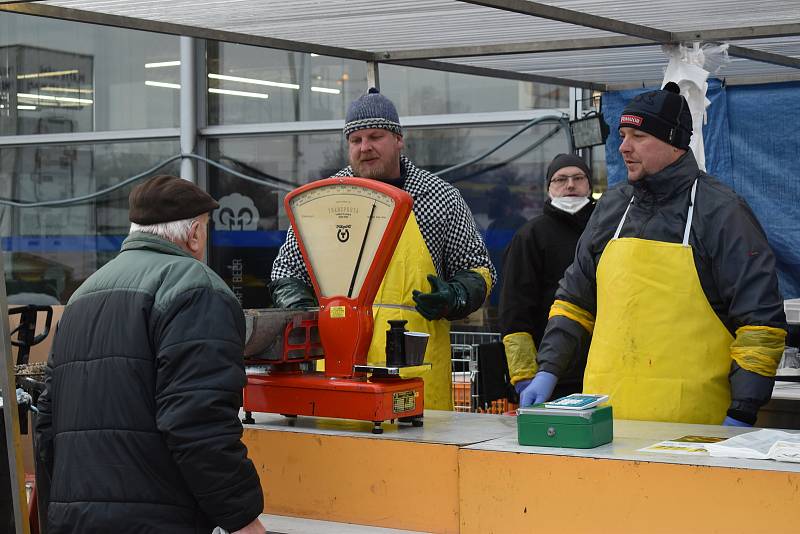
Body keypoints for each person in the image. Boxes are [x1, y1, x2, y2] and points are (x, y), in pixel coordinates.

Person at [519, 82, 787, 427]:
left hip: (693, 424)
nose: (624, 148)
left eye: (638, 136)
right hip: (603, 419)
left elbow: (760, 323)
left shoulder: (721, 211)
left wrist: (743, 409)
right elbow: (575, 301)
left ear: (674, 141)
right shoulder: (611, 207)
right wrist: (549, 370)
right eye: (622, 135)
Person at [35, 175, 265, 533]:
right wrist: (243, 519)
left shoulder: (81, 297)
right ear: (194, 234)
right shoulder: (196, 289)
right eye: (205, 228)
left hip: (73, 520)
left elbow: (47, 422)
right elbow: (198, 423)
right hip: (158, 520)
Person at [270, 87, 496, 410]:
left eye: (375, 136)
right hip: (339, 379)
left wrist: (455, 295)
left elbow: (480, 270)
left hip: (416, 382)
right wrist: (312, 317)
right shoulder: (324, 201)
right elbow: (286, 272)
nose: (365, 148)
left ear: (399, 139)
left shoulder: (440, 198)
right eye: (356, 140)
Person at [499, 153, 595, 400]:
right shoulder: (531, 236)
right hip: (551, 377)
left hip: (602, 372)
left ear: (590, 185)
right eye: (560, 179)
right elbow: (514, 311)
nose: (570, 185)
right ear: (549, 189)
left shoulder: (604, 230)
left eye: (578, 178)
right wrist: (524, 377)